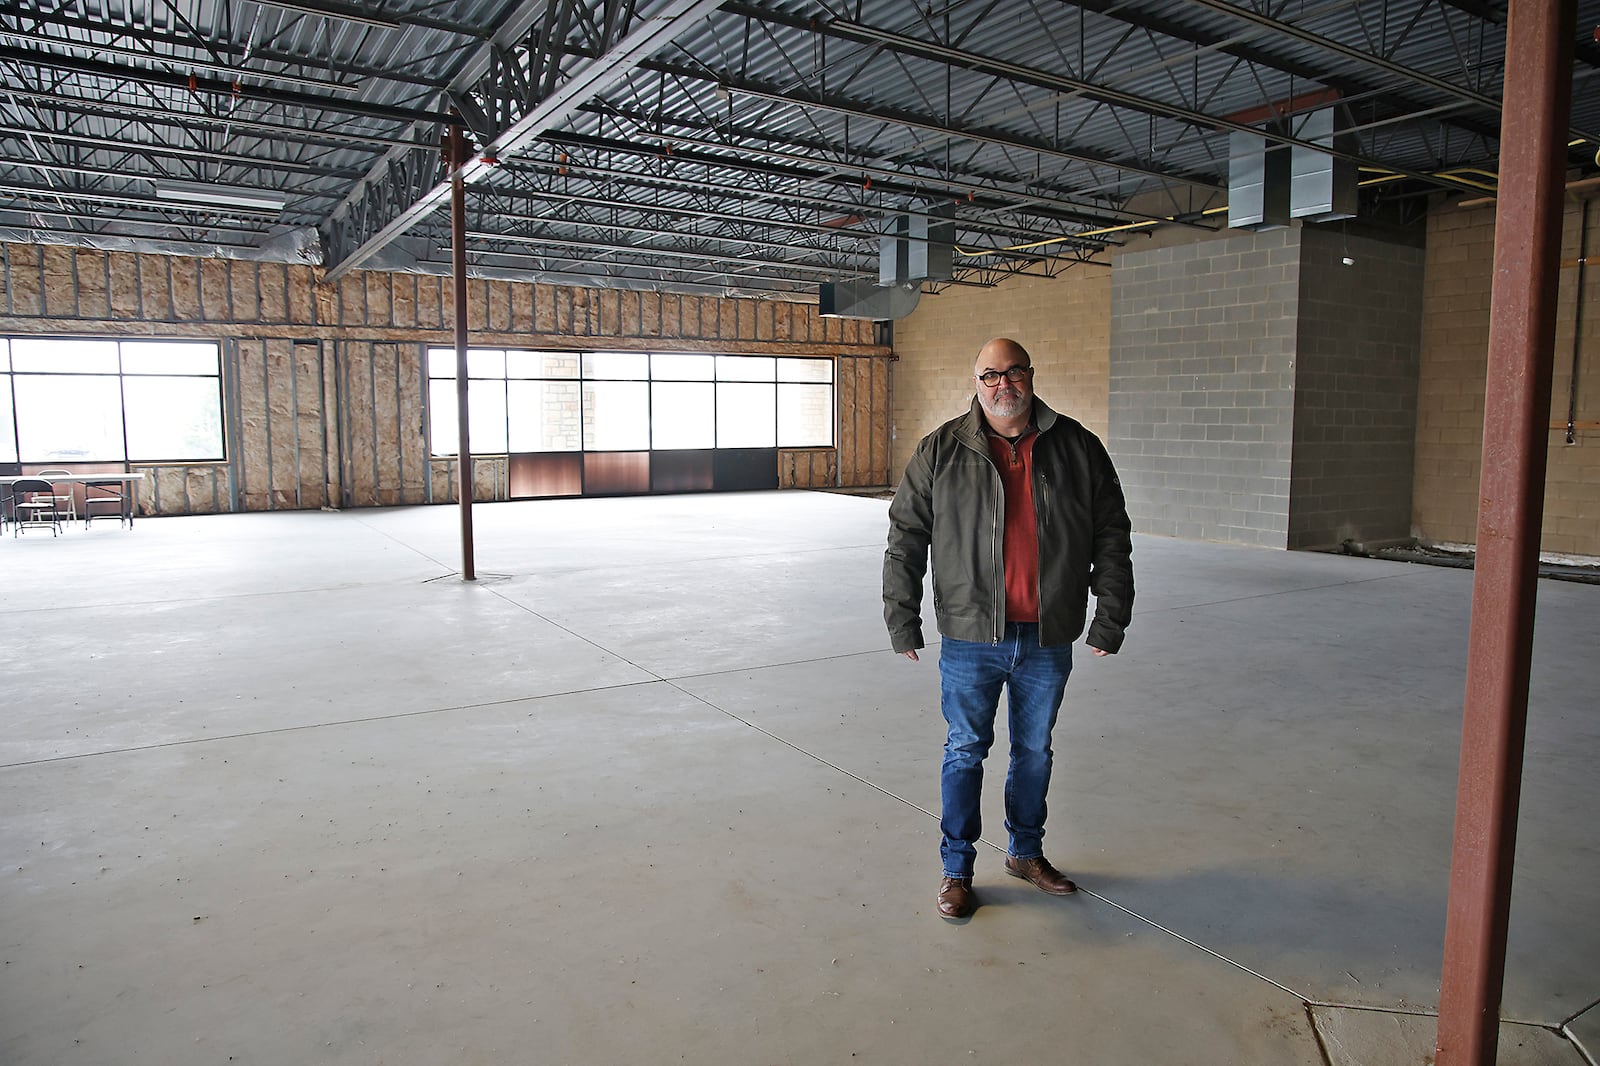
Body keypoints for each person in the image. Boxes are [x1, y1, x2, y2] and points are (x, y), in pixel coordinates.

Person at [883, 337, 1134, 920]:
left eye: (1012, 373)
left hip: (1047, 636)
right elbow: (905, 538)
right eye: (990, 375)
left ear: (1030, 376)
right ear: (977, 381)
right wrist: (902, 617)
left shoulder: (1077, 446)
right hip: (972, 636)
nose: (1002, 385)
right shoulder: (941, 450)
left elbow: (1111, 534)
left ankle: (1025, 852)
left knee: (1035, 751)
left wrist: (1110, 615)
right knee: (965, 750)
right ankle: (956, 869)